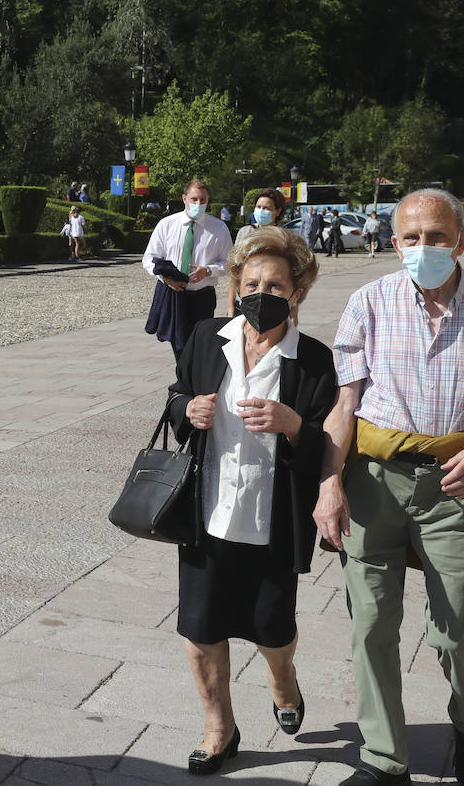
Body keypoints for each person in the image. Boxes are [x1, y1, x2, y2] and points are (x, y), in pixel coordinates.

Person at [314, 188, 464, 786]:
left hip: (460, 486)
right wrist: (328, 484)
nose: (424, 248)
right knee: (369, 623)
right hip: (374, 482)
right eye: (411, 238)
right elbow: (345, 406)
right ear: (393, 243)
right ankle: (384, 759)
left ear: (462, 239)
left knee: (456, 632)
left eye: (437, 236)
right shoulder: (368, 302)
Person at [165, 227, 337, 776]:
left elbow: (329, 448)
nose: (262, 292)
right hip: (206, 515)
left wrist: (293, 426)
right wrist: (185, 411)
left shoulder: (313, 361)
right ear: (236, 285)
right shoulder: (205, 336)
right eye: (252, 282)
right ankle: (220, 728)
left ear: (297, 292)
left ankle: (282, 679)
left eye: (276, 285)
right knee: (200, 626)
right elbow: (176, 395)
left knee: (272, 627)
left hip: (272, 522)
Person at [143, 179, 234, 360]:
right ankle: (184, 384)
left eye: (203, 200)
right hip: (173, 294)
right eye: (194, 199)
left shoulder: (218, 228)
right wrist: (165, 279)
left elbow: (230, 263)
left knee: (199, 345)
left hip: (202, 296)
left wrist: (208, 271)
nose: (198, 204)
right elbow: (149, 259)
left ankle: (190, 383)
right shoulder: (167, 224)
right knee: (179, 346)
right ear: (184, 199)